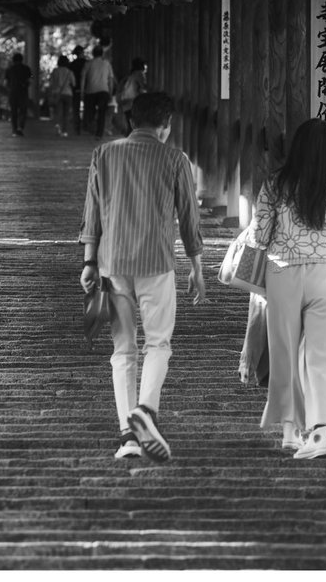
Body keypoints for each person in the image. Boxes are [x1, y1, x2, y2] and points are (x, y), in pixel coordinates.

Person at [78, 91, 206, 462]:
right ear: (166, 126)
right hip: (156, 263)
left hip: (113, 264)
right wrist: (197, 267)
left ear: (133, 122)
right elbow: (188, 218)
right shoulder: (174, 159)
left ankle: (127, 438)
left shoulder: (104, 154)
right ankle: (146, 412)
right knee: (158, 343)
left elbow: (93, 212)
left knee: (123, 349)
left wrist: (89, 263)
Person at [246, 118, 326, 460]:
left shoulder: (275, 185)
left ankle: (289, 432)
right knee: (325, 355)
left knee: (285, 353)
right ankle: (320, 435)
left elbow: (257, 236)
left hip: (283, 274)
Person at [81, 45, 116, 138]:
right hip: (103, 91)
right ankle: (99, 133)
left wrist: (82, 91)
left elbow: (83, 79)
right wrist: (110, 92)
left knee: (90, 112)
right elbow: (111, 80)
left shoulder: (88, 64)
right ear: (102, 53)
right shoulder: (107, 64)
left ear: (93, 53)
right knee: (102, 113)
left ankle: (91, 129)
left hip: (90, 91)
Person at [4, 52, 32, 137]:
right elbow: (30, 79)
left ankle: (14, 130)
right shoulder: (27, 69)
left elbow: (6, 82)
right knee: (23, 111)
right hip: (23, 92)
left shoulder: (9, 69)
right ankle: (20, 127)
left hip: (13, 93)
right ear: (21, 60)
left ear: (13, 60)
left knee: (14, 112)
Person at [117, 57, 148, 133]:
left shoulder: (131, 75)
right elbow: (144, 86)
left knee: (130, 125)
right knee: (135, 127)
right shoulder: (140, 74)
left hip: (126, 102)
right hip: (133, 102)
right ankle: (131, 142)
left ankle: (129, 142)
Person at [48, 54, 75, 137]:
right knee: (66, 114)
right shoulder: (69, 72)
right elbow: (74, 83)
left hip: (57, 93)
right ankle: (65, 131)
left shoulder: (55, 71)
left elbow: (51, 83)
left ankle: (58, 127)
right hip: (68, 94)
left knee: (58, 112)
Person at [69, 45, 86, 134]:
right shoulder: (87, 63)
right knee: (87, 109)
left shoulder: (72, 65)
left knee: (76, 109)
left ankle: (77, 128)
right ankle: (85, 127)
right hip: (87, 89)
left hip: (75, 89)